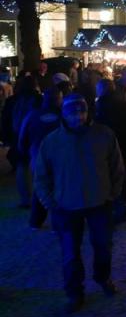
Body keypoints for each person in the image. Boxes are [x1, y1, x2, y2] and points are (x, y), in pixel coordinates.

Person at [33, 93, 124, 313]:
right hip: (65, 206)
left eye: (82, 112)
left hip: (99, 202)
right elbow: (41, 176)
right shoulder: (53, 141)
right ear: (64, 114)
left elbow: (116, 167)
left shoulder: (103, 135)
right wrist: (49, 202)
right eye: (73, 113)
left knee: (103, 246)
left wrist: (112, 193)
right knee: (70, 253)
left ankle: (103, 277)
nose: (78, 117)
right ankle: (74, 292)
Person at [18, 86, 63, 229]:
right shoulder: (64, 116)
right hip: (60, 157)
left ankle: (35, 221)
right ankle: (58, 222)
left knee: (40, 188)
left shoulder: (33, 115)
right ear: (59, 99)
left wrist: (24, 152)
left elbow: (22, 137)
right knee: (60, 187)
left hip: (37, 156)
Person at [95, 79, 126, 223]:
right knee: (121, 172)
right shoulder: (123, 102)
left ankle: (116, 204)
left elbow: (99, 124)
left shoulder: (102, 104)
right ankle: (122, 202)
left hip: (109, 143)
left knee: (110, 173)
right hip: (123, 142)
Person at [6, 75, 41, 206]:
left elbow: (6, 120)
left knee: (22, 166)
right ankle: (39, 196)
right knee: (37, 166)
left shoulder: (13, 100)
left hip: (17, 136)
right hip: (35, 136)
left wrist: (8, 137)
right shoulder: (38, 99)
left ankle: (25, 198)